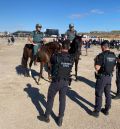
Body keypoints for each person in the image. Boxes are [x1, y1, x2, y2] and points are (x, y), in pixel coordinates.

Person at [39, 41, 74, 126]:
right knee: (62, 100)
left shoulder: (56, 56)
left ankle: (46, 116)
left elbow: (49, 64)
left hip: (56, 82)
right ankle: (60, 119)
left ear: (62, 47)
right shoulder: (71, 58)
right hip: (65, 82)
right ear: (68, 48)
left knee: (50, 98)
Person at [91, 40, 116, 117]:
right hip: (109, 77)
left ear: (103, 47)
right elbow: (113, 65)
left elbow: (97, 68)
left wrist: (95, 61)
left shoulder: (101, 55)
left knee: (99, 94)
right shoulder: (113, 55)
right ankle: (106, 110)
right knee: (108, 94)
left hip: (102, 77)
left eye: (101, 47)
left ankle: (97, 111)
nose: (101, 48)